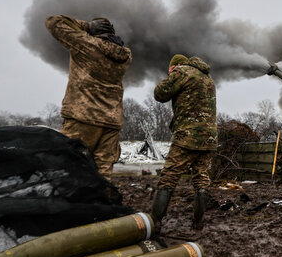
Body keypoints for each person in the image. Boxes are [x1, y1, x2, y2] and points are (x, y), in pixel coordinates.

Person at [45, 15, 132, 180]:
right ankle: (103, 204)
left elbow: (53, 21)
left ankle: (72, 205)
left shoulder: (87, 45)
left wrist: (85, 26)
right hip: (112, 121)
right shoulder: (125, 56)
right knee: (104, 174)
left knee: (68, 167)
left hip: (83, 117)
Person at [151, 54, 217, 231]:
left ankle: (154, 223)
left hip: (188, 136)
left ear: (175, 65)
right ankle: (198, 223)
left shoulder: (182, 72)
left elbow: (160, 94)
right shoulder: (207, 77)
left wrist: (173, 73)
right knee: (201, 180)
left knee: (168, 178)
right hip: (209, 138)